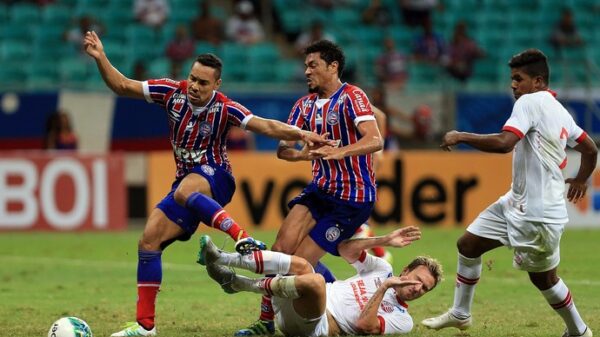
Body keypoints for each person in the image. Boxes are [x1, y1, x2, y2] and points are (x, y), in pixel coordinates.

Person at [83, 31, 333, 337]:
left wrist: (301, 134)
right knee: (148, 240)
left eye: (203, 82)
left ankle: (241, 236)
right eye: (192, 79)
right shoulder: (171, 92)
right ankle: (145, 327)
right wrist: (100, 57)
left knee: (187, 189)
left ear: (217, 85)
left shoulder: (224, 107)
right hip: (186, 184)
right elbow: (122, 85)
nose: (195, 87)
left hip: (217, 177)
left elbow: (265, 125)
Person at [421, 49, 597, 337]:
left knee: (544, 279)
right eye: (512, 79)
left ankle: (579, 331)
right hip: (515, 203)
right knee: (468, 245)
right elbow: (589, 148)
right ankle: (461, 313)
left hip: (538, 215)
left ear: (538, 81)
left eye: (519, 78)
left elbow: (505, 143)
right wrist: (580, 179)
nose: (513, 85)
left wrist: (461, 135)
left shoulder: (529, 102)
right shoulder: (559, 110)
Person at [236, 40, 384, 336]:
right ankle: (265, 322)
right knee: (280, 251)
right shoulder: (303, 105)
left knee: (298, 265)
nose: (306, 71)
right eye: (305, 65)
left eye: (313, 65)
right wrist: (308, 153)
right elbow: (283, 150)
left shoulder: (352, 97)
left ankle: (333, 303)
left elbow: (375, 139)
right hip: (319, 190)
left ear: (333, 67)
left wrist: (339, 151)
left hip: (351, 200)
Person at [198, 226, 443, 336]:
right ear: (406, 270)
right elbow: (345, 248)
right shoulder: (382, 268)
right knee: (303, 262)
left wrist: (386, 287)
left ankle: (240, 284)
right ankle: (222, 258)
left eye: (425, 289)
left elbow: (363, 326)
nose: (418, 289)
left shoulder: (403, 319)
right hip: (294, 299)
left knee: (314, 280)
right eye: (418, 280)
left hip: (316, 325)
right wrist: (384, 241)